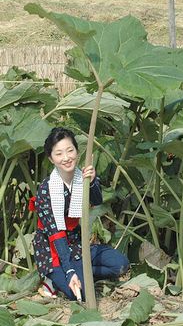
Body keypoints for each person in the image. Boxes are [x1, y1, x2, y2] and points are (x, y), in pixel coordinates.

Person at [30, 127, 129, 300]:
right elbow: (56, 233)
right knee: (80, 294)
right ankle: (53, 279)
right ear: (51, 158)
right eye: (59, 153)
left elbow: (97, 201)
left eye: (70, 150)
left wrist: (91, 183)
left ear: (77, 150)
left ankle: (80, 273)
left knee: (120, 265)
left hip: (77, 243)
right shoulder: (45, 190)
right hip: (52, 247)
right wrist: (69, 271)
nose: (66, 158)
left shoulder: (82, 177)